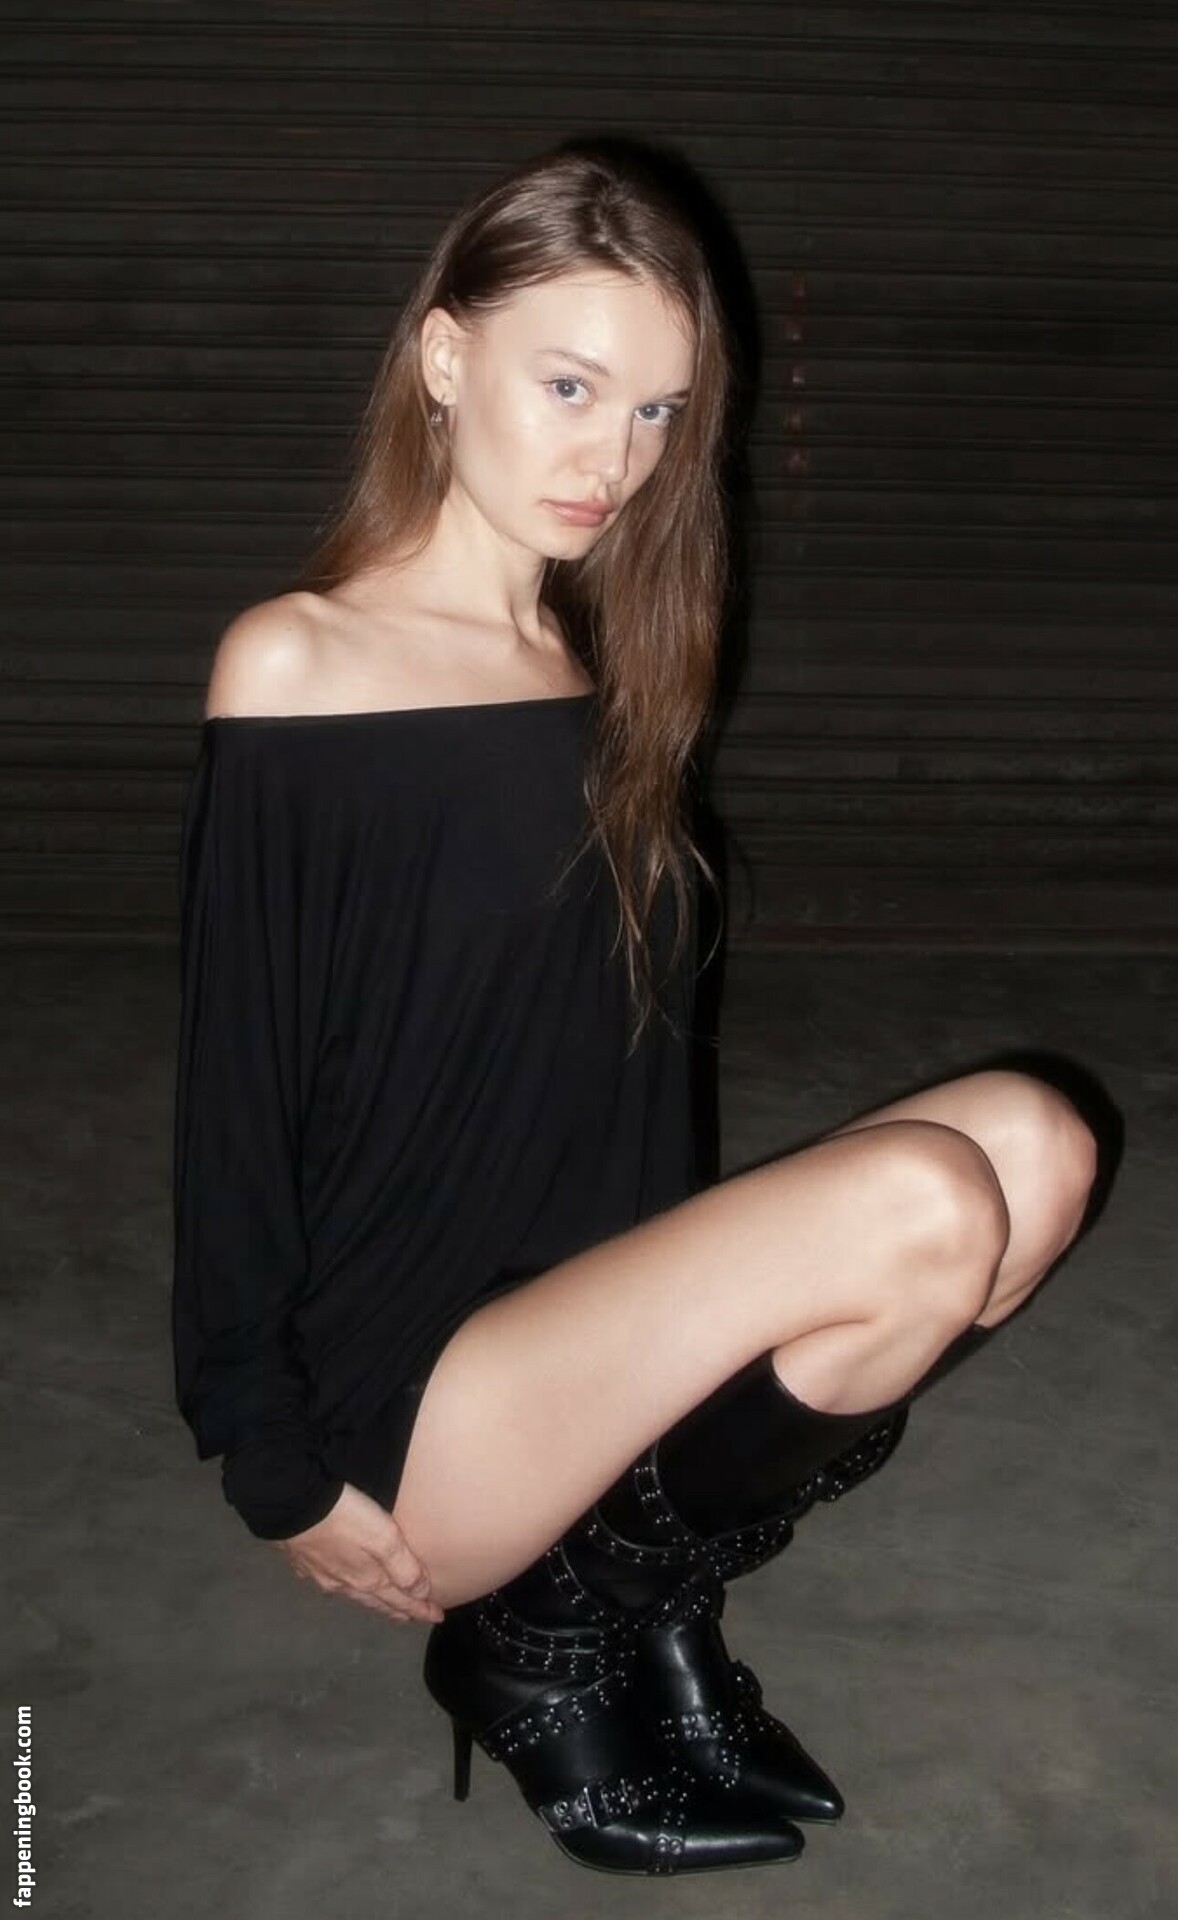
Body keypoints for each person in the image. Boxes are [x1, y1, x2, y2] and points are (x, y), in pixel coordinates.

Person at [172, 142, 1097, 1878]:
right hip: (416, 1393)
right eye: (571, 387)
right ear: (445, 357)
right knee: (922, 1202)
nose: (614, 458)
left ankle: (629, 1606)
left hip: (585, 1336)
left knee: (1035, 1148)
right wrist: (267, 1460)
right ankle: (532, 1649)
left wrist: (685, 1308)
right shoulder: (298, 663)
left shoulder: (598, 671)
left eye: (659, 411)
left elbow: (629, 1084)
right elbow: (236, 1092)